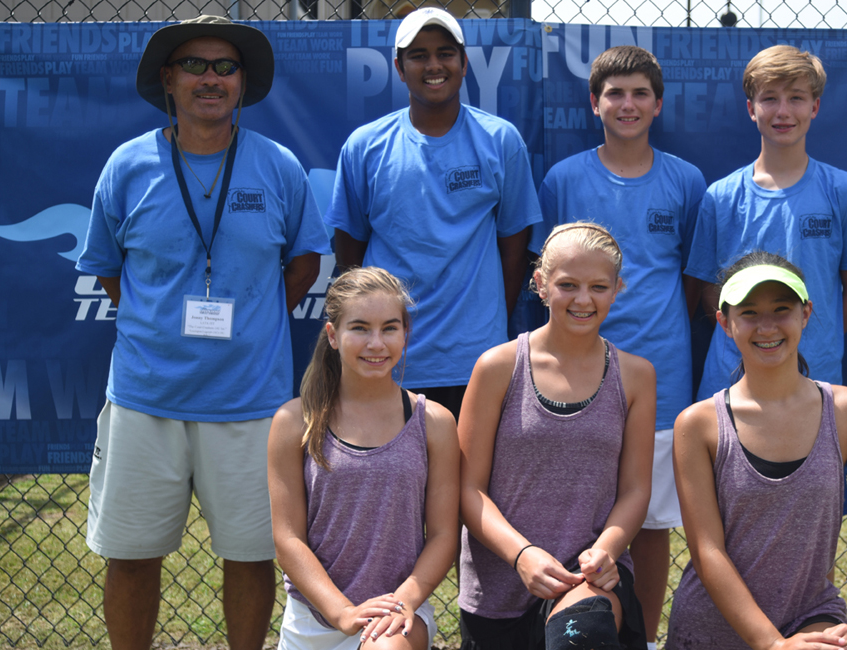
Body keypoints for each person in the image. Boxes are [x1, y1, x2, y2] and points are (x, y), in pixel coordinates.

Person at [75, 15, 330, 650]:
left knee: (251, 555)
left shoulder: (278, 166)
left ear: (242, 82)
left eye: (225, 66)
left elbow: (303, 263)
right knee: (131, 557)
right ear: (168, 78)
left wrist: (253, 323)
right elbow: (107, 268)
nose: (210, 78)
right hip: (145, 399)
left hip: (250, 402)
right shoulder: (127, 165)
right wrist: (160, 326)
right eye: (194, 65)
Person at [531, 45, 707, 648]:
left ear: (658, 105)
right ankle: (561, 625)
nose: (627, 105)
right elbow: (546, 272)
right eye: (615, 93)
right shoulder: (563, 179)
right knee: (570, 509)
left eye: (639, 94)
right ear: (594, 103)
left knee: (650, 521)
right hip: (573, 373)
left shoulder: (685, 180)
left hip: (661, 372)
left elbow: (691, 278)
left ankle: (645, 639)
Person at [666, 252, 847, 650]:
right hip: (710, 632)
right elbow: (707, 550)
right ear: (725, 322)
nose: (767, 326)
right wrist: (772, 644)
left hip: (810, 619)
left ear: (805, 314)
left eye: (781, 309)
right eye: (749, 312)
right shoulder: (698, 424)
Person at [325, 7, 542, 419]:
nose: (433, 65)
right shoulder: (364, 146)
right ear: (399, 68)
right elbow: (350, 255)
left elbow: (514, 248)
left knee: (464, 464)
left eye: (445, 53)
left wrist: (484, 318)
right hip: (385, 356)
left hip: (474, 357)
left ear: (464, 63)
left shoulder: (501, 140)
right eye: (418, 55)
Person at [458, 223, 656, 650]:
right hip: (499, 590)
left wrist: (606, 551)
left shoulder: (636, 376)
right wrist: (521, 555)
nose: (583, 299)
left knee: (582, 634)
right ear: (541, 284)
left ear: (617, 289)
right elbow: (469, 488)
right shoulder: (497, 367)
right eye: (568, 285)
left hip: (588, 582)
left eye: (598, 287)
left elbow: (636, 489)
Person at [268, 267, 459, 650]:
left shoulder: (434, 423)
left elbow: (443, 536)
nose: (376, 343)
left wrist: (403, 601)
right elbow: (288, 538)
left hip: (395, 617)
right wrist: (341, 612)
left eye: (389, 328)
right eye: (360, 328)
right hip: (315, 619)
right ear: (332, 335)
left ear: (405, 334)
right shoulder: (294, 421)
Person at [685, 45, 847, 397]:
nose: (783, 111)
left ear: (815, 107)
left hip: (815, 375)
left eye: (796, 98)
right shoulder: (720, 196)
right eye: (770, 98)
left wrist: (805, 335)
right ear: (751, 109)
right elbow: (709, 290)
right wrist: (751, 337)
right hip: (730, 378)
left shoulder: (845, 192)